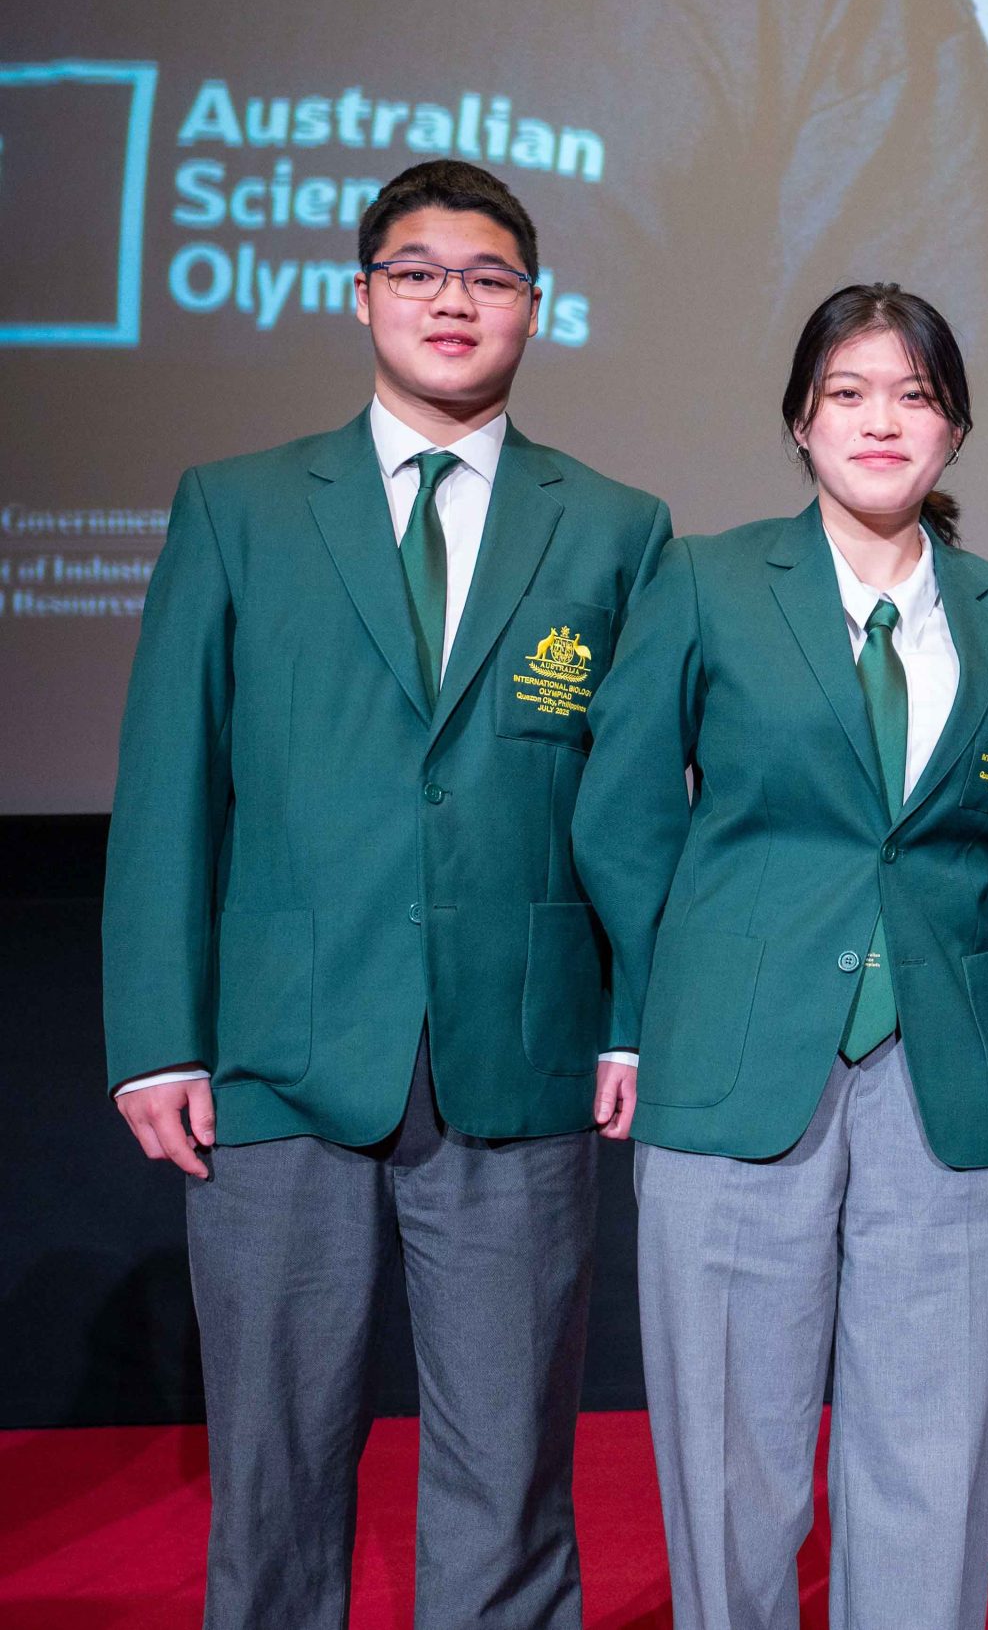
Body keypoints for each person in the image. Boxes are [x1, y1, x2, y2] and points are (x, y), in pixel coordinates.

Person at [100, 159, 670, 1630]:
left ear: (535, 309)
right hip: (278, 1053)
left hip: (522, 1052)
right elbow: (170, 787)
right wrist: (157, 1037)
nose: (451, 301)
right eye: (418, 272)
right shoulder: (237, 507)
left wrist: (633, 1017)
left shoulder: (615, 526)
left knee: (510, 1472)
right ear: (362, 298)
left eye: (488, 277)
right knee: (274, 1473)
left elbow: (633, 809)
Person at [573, 283, 988, 1630]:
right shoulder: (707, 582)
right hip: (734, 1062)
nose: (880, 421)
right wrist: (659, 1004)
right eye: (848, 393)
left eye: (914, 396)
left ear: (955, 429)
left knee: (933, 1457)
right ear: (801, 420)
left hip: (943, 1074)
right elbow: (622, 819)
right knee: (732, 1459)